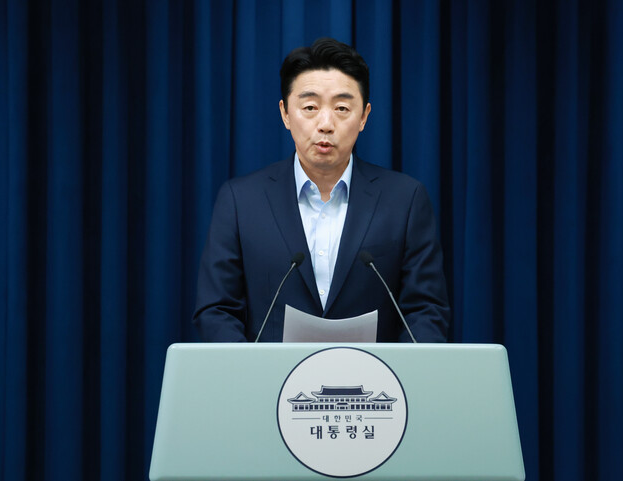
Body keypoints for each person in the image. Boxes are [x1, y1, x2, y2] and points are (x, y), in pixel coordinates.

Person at [193, 38, 450, 342]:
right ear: (285, 113)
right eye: (310, 107)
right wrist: (252, 371)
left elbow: (426, 311)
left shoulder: (405, 200)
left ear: (364, 116)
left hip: (371, 373)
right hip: (269, 374)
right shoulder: (240, 201)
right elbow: (217, 310)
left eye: (342, 108)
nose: (325, 124)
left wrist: (395, 370)